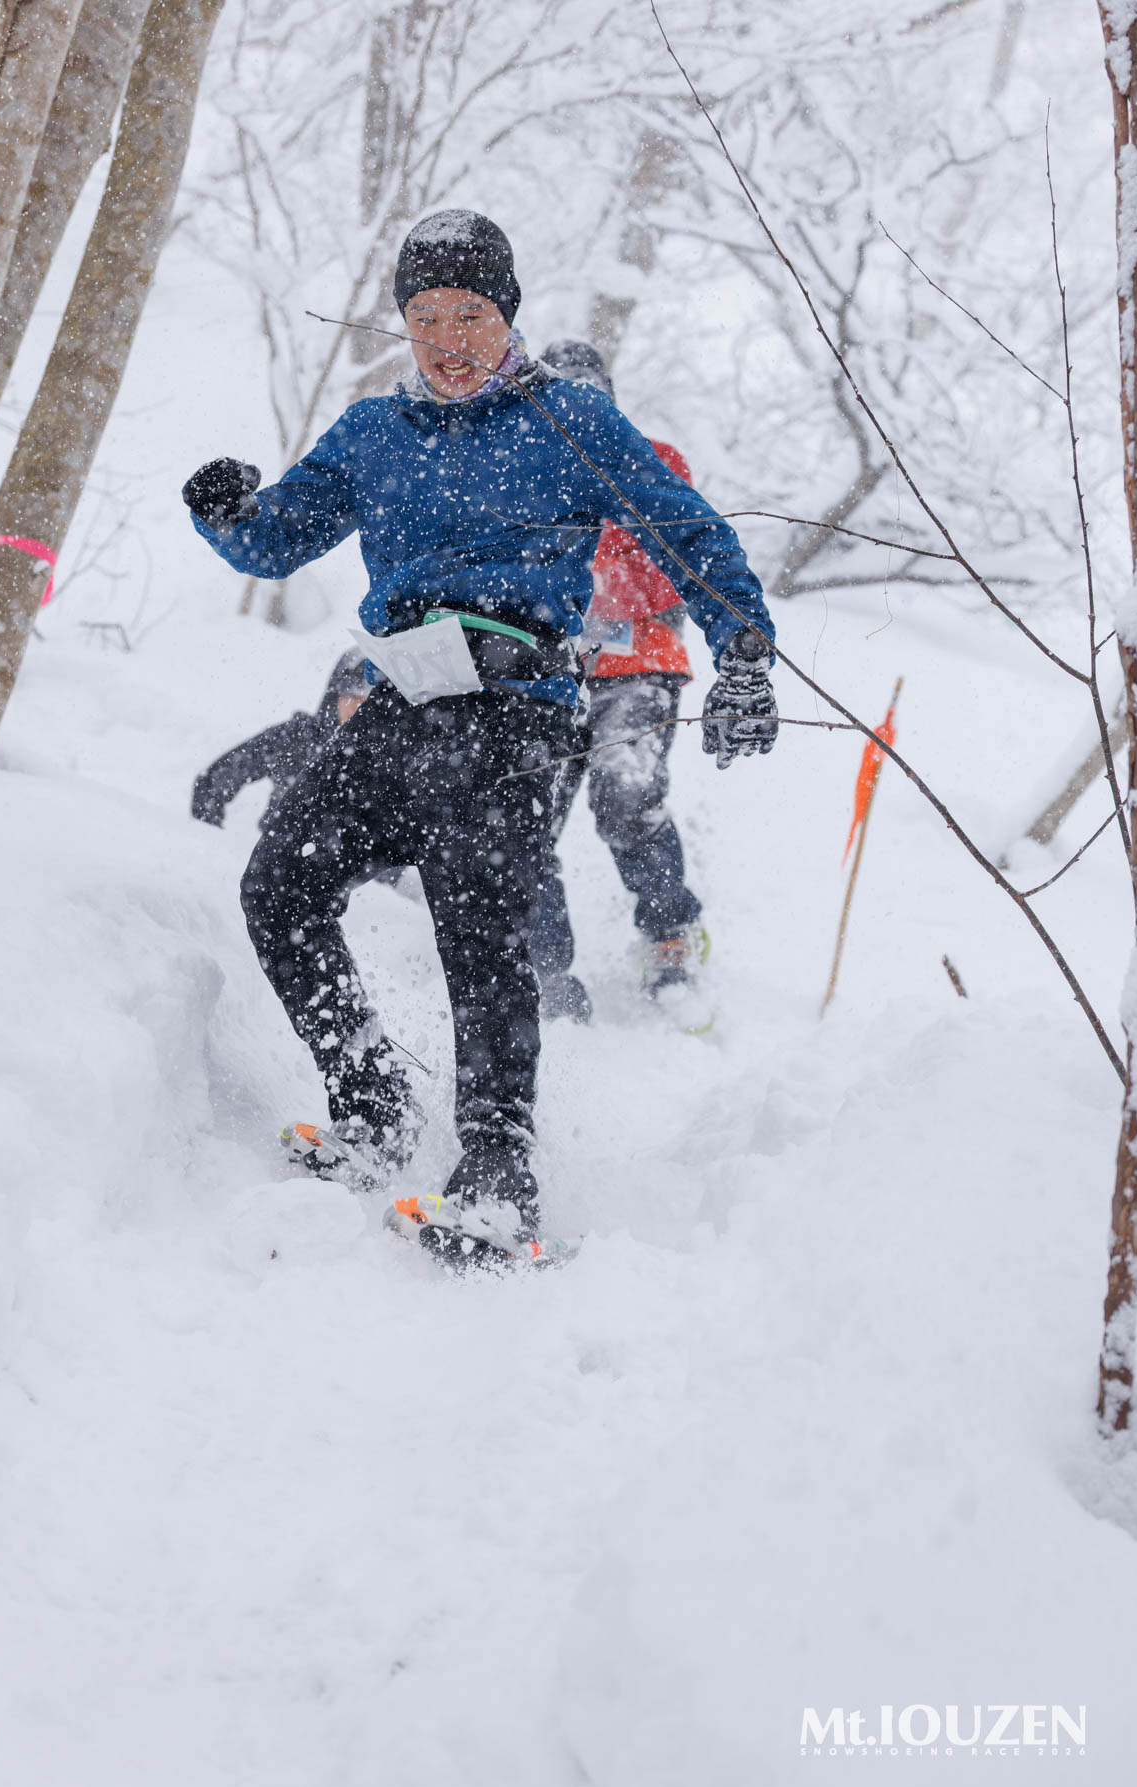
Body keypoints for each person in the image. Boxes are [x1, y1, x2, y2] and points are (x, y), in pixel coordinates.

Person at [181, 208, 777, 1259]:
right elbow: (279, 542)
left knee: (480, 932)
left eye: (469, 316)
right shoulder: (374, 433)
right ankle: (371, 1106)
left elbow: (683, 526)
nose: (447, 341)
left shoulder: (568, 421)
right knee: (280, 886)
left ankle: (498, 1176)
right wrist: (229, 515)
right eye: (425, 319)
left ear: (507, 316)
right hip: (402, 702)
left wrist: (743, 652)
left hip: (515, 709)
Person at [527, 340, 707, 1024]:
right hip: (544, 670)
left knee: (625, 793)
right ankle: (540, 969)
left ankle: (669, 935)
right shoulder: (518, 472)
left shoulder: (651, 460)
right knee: (522, 817)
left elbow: (674, 566)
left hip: (637, 660)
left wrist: (596, 560)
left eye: (587, 396)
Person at [191, 647, 375, 831]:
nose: (357, 708)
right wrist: (209, 839)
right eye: (351, 697)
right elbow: (212, 782)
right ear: (335, 697)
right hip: (275, 846)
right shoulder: (298, 738)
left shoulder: (385, 758)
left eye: (367, 701)